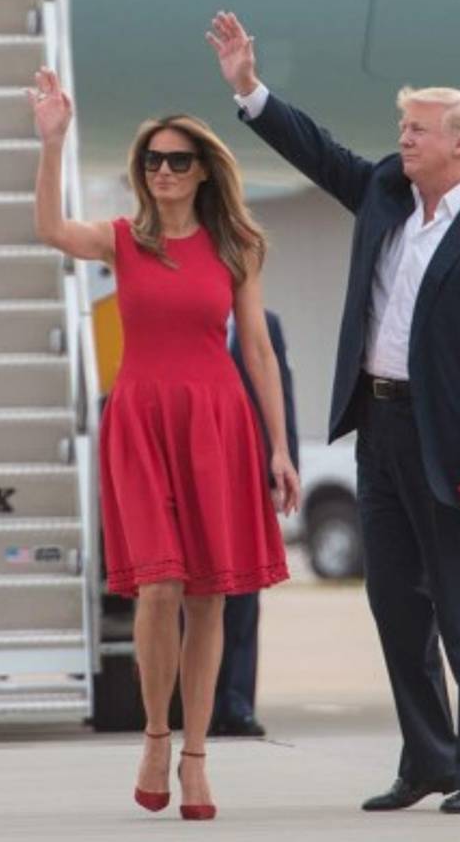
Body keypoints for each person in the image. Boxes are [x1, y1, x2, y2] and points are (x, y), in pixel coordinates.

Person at [209, 12, 460, 814]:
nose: (404, 139)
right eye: (403, 126)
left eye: (419, 129)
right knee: (396, 607)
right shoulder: (388, 196)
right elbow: (321, 152)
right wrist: (250, 90)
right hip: (382, 431)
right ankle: (428, 759)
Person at [29, 66, 300, 821]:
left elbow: (258, 351)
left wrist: (280, 448)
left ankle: (198, 756)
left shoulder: (238, 244)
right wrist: (52, 144)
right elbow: (51, 229)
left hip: (216, 420)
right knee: (157, 586)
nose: (166, 171)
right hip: (142, 420)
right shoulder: (124, 241)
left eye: (180, 159)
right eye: (154, 160)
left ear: (204, 169)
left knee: (210, 594)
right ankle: (155, 735)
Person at [210, 308, 299, 738]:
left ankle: (238, 703)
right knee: (196, 594)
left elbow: (282, 394)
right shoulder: (183, 310)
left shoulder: (266, 323)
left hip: (248, 472)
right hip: (199, 467)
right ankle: (199, 702)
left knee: (245, 594)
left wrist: (284, 466)